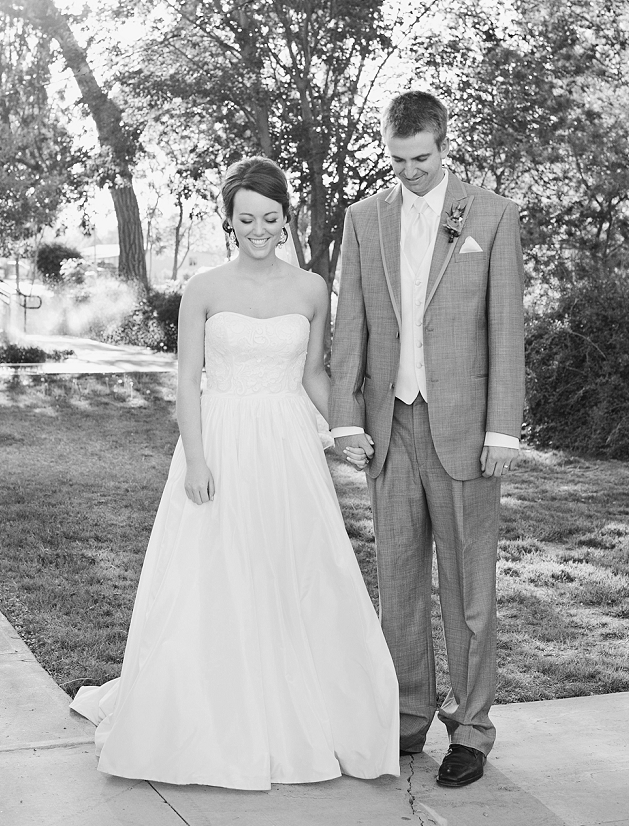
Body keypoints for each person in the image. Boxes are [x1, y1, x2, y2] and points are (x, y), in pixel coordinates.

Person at [70, 157, 399, 790]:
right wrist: (196, 459)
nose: (258, 229)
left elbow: (312, 375)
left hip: (285, 448)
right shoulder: (204, 288)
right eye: (245, 218)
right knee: (214, 576)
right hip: (217, 439)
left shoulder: (309, 289)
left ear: (286, 218)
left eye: (270, 218)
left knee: (291, 571)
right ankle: (213, 718)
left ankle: (300, 714)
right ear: (229, 220)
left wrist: (345, 430)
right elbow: (186, 382)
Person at [329, 90, 525, 788]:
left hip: (468, 431)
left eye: (422, 159)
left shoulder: (492, 215)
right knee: (400, 583)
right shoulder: (363, 220)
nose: (410, 171)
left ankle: (471, 729)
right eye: (398, 160)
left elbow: (505, 328)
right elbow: (350, 322)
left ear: (445, 147)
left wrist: (504, 427)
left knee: (470, 587)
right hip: (391, 427)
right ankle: (408, 717)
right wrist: (348, 420)